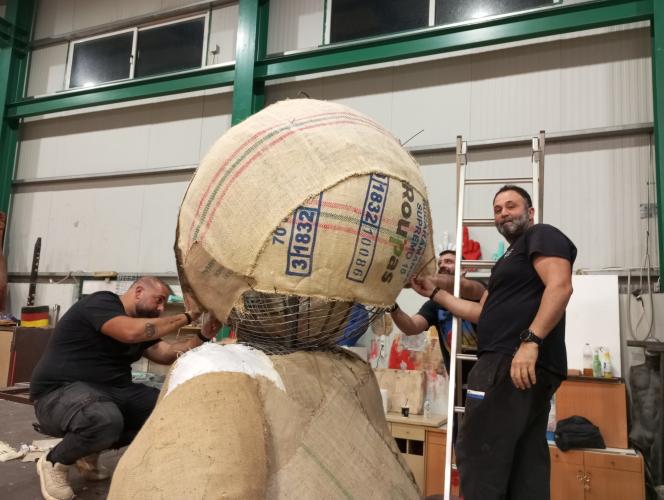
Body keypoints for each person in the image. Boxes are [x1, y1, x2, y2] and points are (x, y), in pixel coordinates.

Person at [410, 185, 576, 500]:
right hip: (515, 364)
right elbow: (480, 312)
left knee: (478, 451)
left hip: (509, 360)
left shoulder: (541, 235)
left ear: (530, 212)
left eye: (511, 206)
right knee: (525, 462)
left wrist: (530, 341)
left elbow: (560, 286)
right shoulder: (506, 263)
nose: (503, 213)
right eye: (497, 209)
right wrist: (434, 293)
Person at [30, 277, 213, 500]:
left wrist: (203, 336)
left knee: (166, 410)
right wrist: (188, 316)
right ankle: (54, 461)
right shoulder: (101, 303)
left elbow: (165, 354)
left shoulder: (140, 325)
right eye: (158, 300)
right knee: (103, 418)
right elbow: (130, 332)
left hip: (110, 392)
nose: (161, 308)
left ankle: (87, 451)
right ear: (138, 292)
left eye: (164, 304)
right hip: (59, 394)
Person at [389, 249, 486, 370]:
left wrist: (426, 279)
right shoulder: (435, 304)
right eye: (440, 263)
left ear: (463, 269)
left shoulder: (478, 290)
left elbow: (463, 285)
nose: (442, 265)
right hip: (458, 378)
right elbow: (411, 327)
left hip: (489, 371)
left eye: (448, 261)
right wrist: (392, 306)